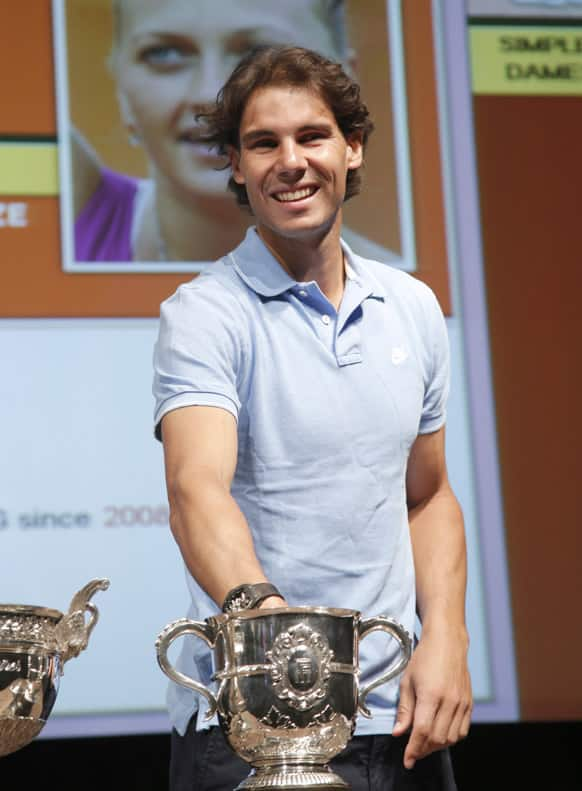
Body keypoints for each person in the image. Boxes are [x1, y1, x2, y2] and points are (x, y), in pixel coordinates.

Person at [153, 46, 471, 790]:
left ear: (351, 148)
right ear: (236, 164)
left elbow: (426, 495)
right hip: (252, 722)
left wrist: (448, 634)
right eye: (264, 143)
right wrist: (269, 623)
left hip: (400, 723)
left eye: (312, 136)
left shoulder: (413, 305)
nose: (290, 161)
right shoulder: (204, 313)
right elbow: (196, 489)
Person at [72, 0, 398, 264]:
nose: (210, 94)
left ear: (345, 87)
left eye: (260, 55)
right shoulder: (77, 200)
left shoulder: (402, 301)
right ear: (120, 85)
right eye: (164, 53)